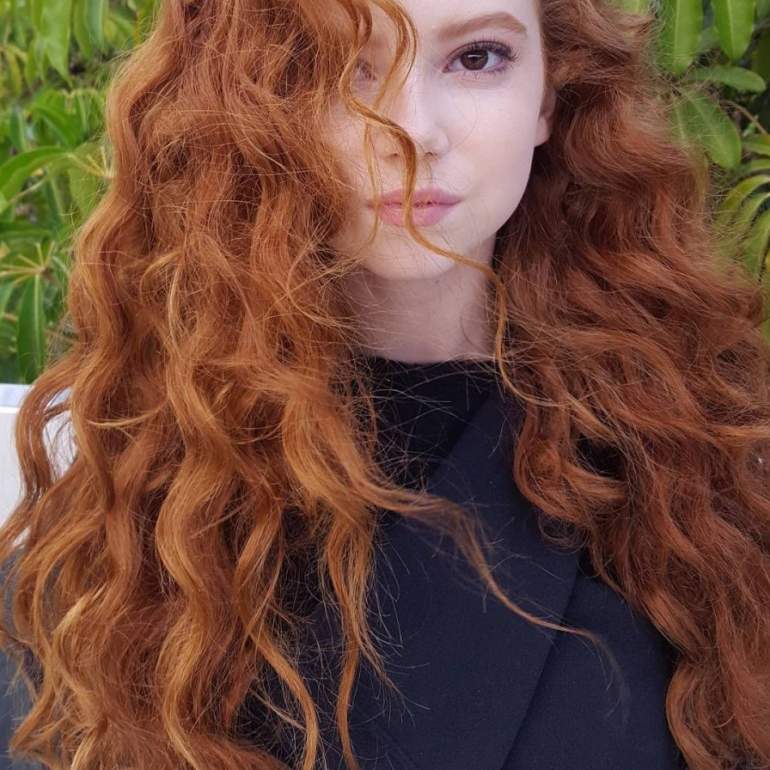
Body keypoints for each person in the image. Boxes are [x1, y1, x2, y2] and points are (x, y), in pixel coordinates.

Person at [0, 0, 767, 768]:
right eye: (341, 66)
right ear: (242, 105)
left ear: (548, 95)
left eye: (476, 58)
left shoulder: (703, 480)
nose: (412, 131)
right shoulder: (120, 543)